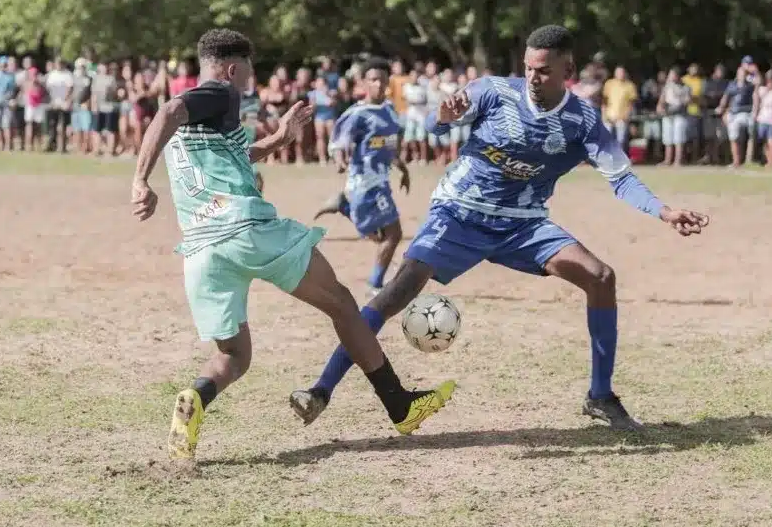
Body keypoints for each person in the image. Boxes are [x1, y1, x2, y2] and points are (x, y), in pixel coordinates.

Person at [289, 25, 709, 431]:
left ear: (568, 71)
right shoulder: (494, 90)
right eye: (528, 67)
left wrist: (663, 211)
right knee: (393, 295)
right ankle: (321, 389)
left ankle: (600, 396)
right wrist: (443, 116)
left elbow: (621, 178)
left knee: (601, 277)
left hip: (523, 225)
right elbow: (442, 123)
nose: (532, 77)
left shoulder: (583, 119)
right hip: (458, 212)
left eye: (543, 70)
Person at [130, 29, 455, 461]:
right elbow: (170, 108)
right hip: (246, 230)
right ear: (231, 69)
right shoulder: (220, 94)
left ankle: (195, 396)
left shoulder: (203, 121)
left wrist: (280, 139)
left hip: (201, 248)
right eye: (248, 71)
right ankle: (400, 404)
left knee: (234, 355)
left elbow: (234, 156)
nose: (249, 81)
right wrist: (139, 179)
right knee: (341, 303)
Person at [312, 58, 411, 297]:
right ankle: (374, 286)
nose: (378, 84)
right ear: (364, 83)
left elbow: (389, 146)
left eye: (382, 80)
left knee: (381, 237)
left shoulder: (389, 110)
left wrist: (403, 168)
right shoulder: (357, 114)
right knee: (392, 235)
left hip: (382, 180)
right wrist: (339, 159)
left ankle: (344, 206)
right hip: (365, 182)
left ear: (388, 82)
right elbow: (337, 143)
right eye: (373, 79)